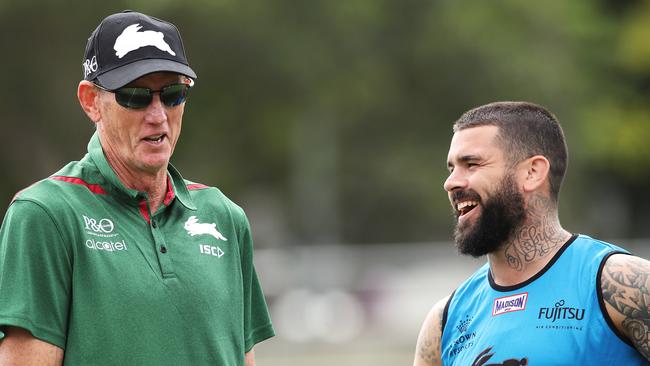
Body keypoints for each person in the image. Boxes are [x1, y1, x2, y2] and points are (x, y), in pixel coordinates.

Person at [0, 10, 274, 366]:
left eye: (173, 94)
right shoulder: (45, 215)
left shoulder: (225, 217)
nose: (158, 114)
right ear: (90, 101)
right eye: (136, 95)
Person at [413, 101, 650, 365]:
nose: (451, 182)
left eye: (471, 164)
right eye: (452, 168)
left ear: (532, 172)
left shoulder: (622, 285)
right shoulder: (444, 321)